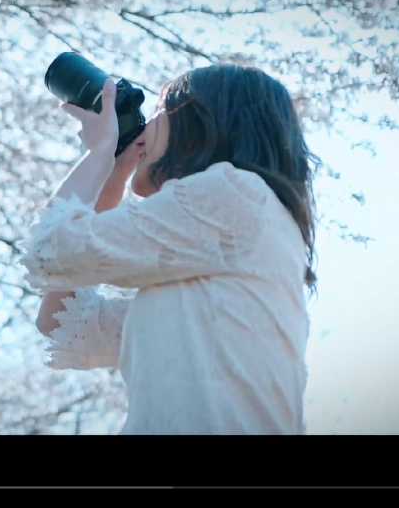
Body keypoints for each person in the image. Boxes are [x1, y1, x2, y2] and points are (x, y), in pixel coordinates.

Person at [18, 64, 318, 434]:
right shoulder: (220, 250)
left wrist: (97, 154)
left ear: (199, 122)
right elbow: (65, 322)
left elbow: (51, 250)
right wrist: (113, 177)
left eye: (159, 110)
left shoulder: (234, 193)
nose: (146, 125)